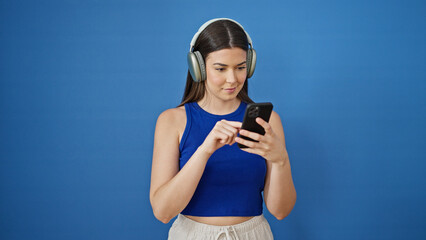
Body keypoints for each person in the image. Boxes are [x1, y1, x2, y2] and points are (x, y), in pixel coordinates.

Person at [150, 18, 296, 240]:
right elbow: (163, 212)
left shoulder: (269, 122)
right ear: (198, 67)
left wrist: (280, 160)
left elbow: (281, 211)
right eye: (221, 68)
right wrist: (205, 150)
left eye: (240, 68)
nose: (232, 79)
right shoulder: (171, 121)